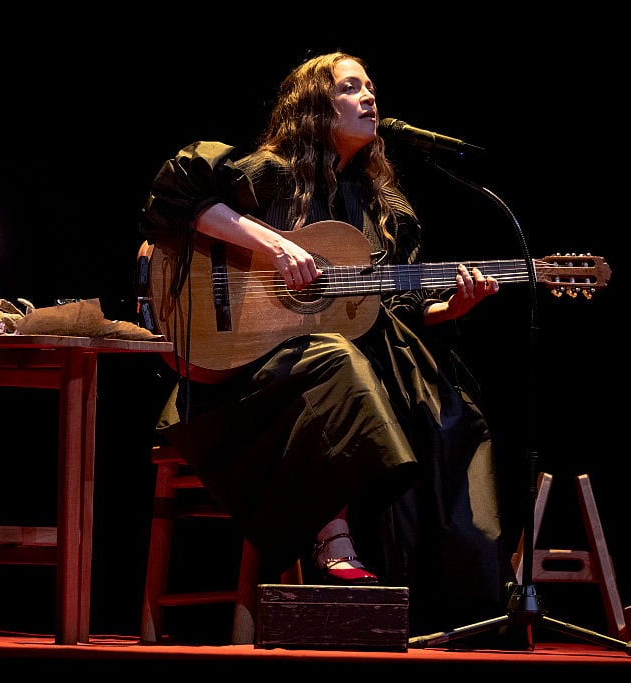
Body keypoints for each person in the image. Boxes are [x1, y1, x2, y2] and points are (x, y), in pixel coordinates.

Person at [137, 51, 515, 635]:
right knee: (341, 362)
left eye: (371, 87)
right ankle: (333, 541)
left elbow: (396, 307)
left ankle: (442, 603)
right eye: (350, 87)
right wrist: (275, 247)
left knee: (447, 413)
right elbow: (176, 197)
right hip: (240, 381)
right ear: (316, 105)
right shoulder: (268, 174)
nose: (369, 98)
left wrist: (452, 306)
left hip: (336, 369)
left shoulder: (382, 210)